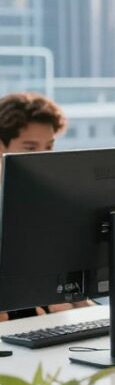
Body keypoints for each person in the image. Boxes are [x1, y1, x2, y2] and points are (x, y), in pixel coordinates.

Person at [0, 92, 68, 321]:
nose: (43, 159)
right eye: (30, 148)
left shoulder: (50, 212)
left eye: (49, 147)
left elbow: (74, 298)